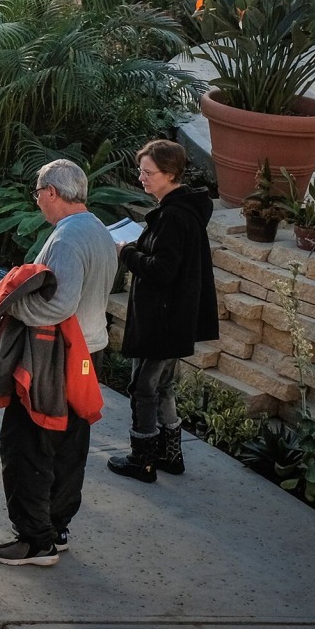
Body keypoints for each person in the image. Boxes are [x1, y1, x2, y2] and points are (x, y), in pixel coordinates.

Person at [0, 159, 118, 567]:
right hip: (88, 352)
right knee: (69, 443)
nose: (38, 201)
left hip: (55, 354)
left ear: (52, 193)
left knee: (27, 441)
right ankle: (56, 529)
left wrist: (8, 303)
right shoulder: (97, 230)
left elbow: (58, 305)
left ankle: (34, 540)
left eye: (38, 193)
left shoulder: (66, 240)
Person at [109, 139, 218, 482]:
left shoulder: (173, 216)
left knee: (143, 386)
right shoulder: (185, 210)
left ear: (170, 174)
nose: (141, 177)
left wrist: (127, 253)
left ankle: (143, 460)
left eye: (148, 172)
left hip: (163, 319)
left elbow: (162, 269)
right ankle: (171, 455)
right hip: (175, 318)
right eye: (140, 170)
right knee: (163, 385)